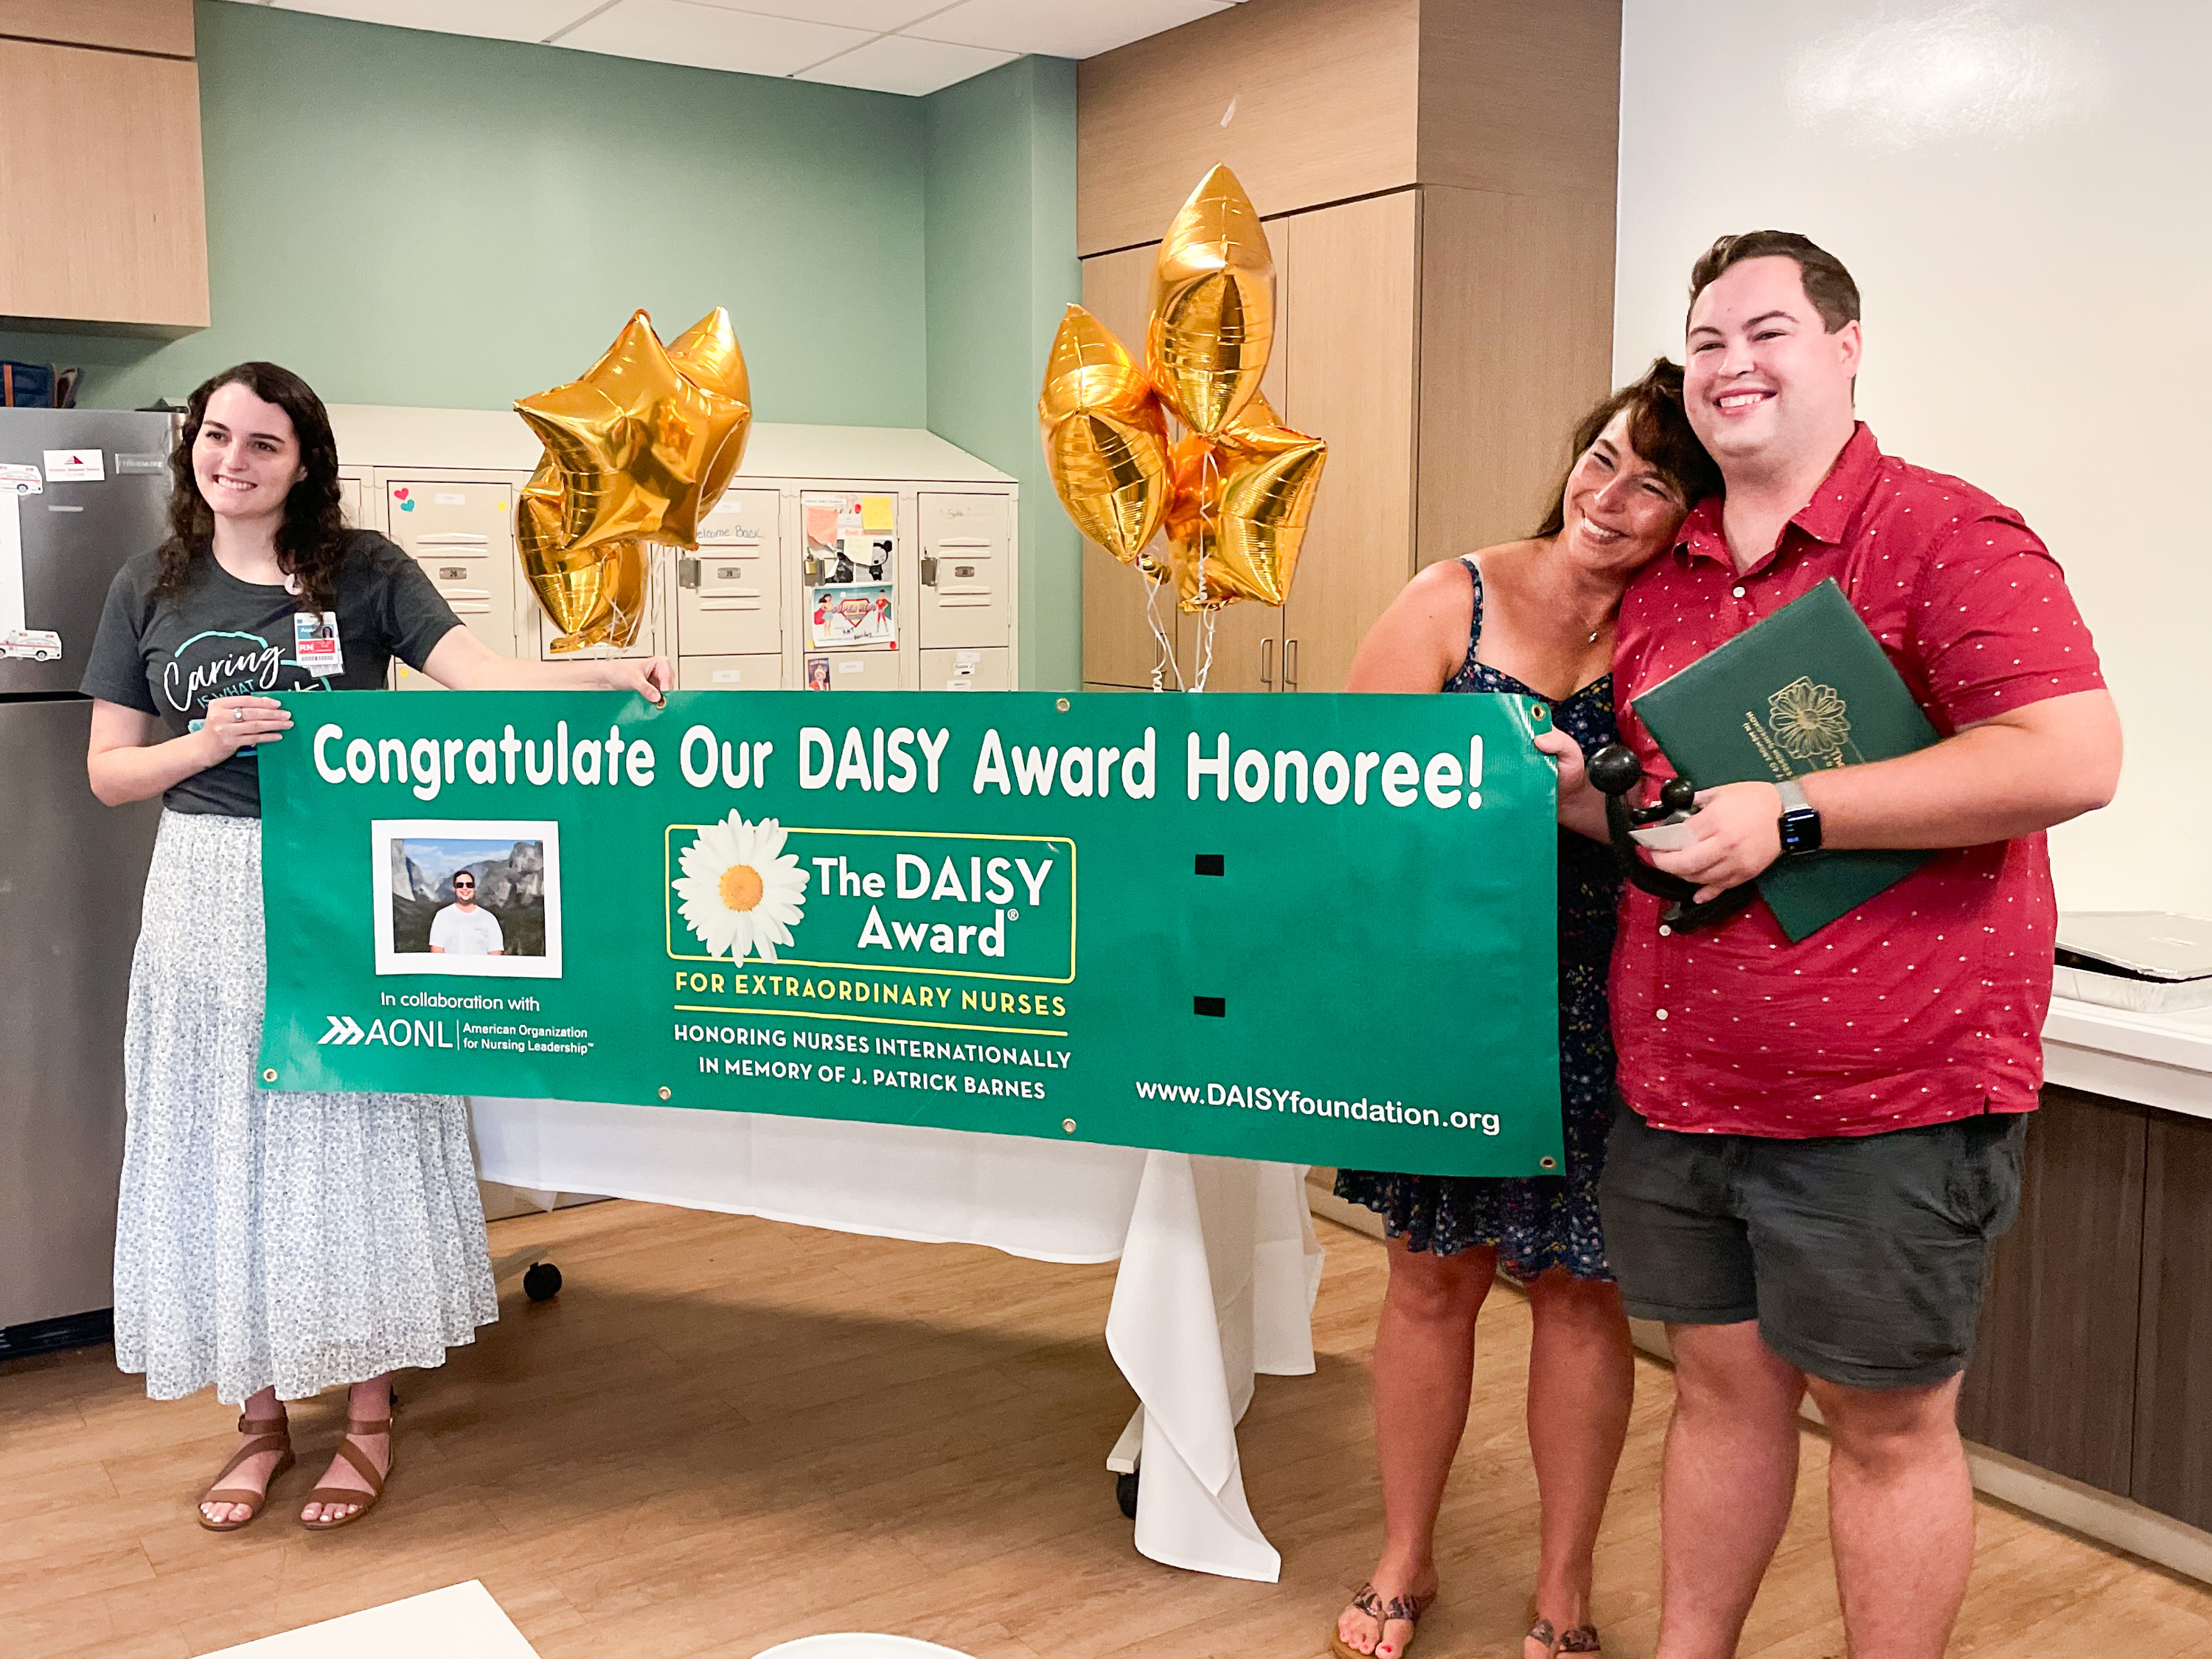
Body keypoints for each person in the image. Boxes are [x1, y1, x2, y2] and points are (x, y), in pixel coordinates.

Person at [1573, 233, 2121, 1659]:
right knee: (1718, 1394)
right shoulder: (1672, 573)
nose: (1728, 365)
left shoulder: (1945, 535)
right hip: (1686, 1082)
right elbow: (1686, 813)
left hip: (1889, 1097)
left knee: (1884, 1428)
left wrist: (1795, 812)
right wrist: (1579, 801)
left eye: (1766, 332)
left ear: (1848, 345)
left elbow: (2070, 754)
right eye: (1703, 342)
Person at [81, 361, 673, 1532]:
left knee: (350, 1133)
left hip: (334, 888)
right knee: (220, 1139)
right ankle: (257, 1421)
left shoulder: (362, 573)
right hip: (200, 897)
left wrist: (600, 669)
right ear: (191, 448)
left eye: (263, 444)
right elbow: (108, 772)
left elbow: (482, 683)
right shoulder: (147, 587)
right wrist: (199, 745)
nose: (232, 460)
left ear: (304, 465)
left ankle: (365, 1414)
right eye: (216, 437)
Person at [1331, 361, 1722, 1659]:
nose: (1608, 496)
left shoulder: (1684, 637)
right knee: (1430, 1281)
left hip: (1613, 998)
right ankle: (1403, 1560)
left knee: (1579, 1292)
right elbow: (1342, 797)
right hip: (1448, 990)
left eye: (1652, 482)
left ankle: (1564, 1593)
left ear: (1690, 514)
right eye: (1600, 458)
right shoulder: (1460, 595)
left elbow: (1697, 831)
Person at [428, 869, 504, 955]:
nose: (465, 888)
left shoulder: (489, 919)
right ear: (454, 888)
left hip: (480, 968)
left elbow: (495, 952)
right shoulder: (441, 916)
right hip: (450, 968)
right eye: (460, 885)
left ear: (474, 888)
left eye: (469, 885)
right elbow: (437, 950)